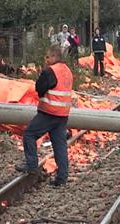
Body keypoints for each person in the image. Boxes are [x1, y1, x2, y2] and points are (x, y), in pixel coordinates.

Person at [15, 45, 73, 187]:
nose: (46, 59)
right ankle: (62, 178)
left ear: (54, 57)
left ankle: (32, 166)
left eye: (48, 57)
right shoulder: (67, 71)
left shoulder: (50, 71)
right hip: (63, 114)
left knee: (29, 134)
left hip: (49, 112)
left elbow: (39, 88)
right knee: (60, 145)